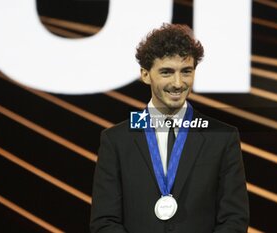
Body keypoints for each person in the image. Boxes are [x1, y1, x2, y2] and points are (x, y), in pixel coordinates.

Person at [90, 23, 249, 233]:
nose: (178, 83)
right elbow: (104, 221)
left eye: (186, 71)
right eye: (167, 72)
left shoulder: (222, 137)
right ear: (145, 74)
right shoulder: (116, 140)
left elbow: (234, 220)